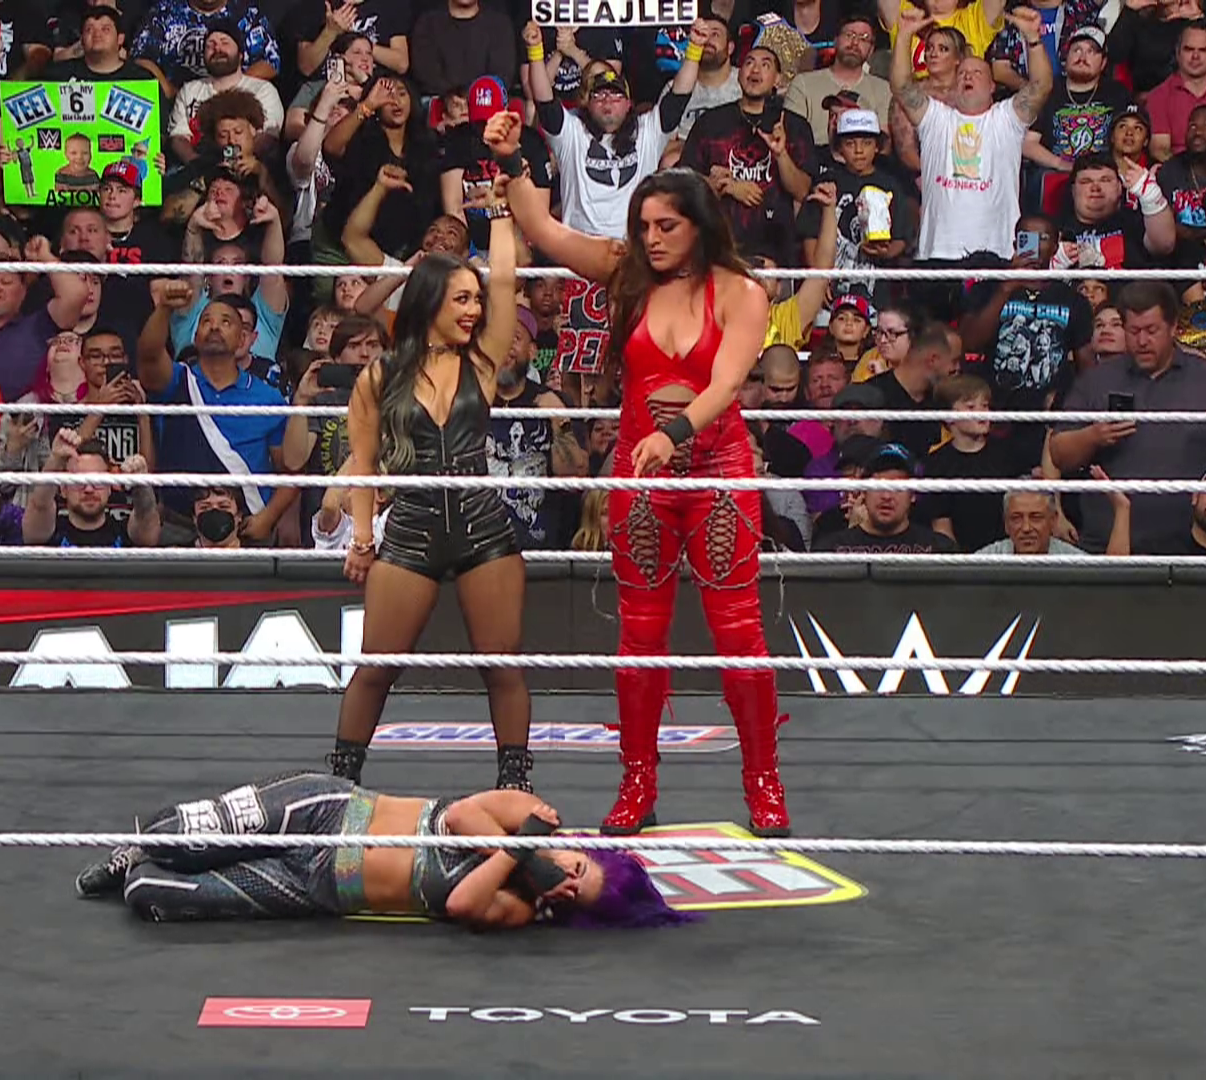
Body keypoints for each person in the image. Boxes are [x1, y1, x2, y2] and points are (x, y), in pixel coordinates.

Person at [491, 112, 788, 838]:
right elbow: (544, 229)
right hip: (641, 470)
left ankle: (764, 783)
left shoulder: (742, 293)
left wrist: (674, 432)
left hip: (715, 467)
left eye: (666, 226)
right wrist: (514, 155)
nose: (651, 239)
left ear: (699, 226)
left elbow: (726, 383)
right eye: (644, 225)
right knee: (639, 637)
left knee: (740, 635)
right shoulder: (627, 272)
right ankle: (637, 783)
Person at [326, 165, 532, 793]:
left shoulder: (485, 360)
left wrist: (501, 213)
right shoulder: (379, 375)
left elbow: (505, 281)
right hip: (412, 526)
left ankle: (514, 785)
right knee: (376, 668)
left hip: (483, 528)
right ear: (431, 302)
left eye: (475, 299)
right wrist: (363, 538)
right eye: (461, 299)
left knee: (501, 665)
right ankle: (339, 786)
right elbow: (363, 464)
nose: (475, 309)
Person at [72, 773, 694, 931]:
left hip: (314, 888)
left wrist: (524, 859)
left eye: (573, 894)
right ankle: (137, 846)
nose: (565, 881)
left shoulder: (518, 906)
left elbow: (461, 904)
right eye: (578, 870)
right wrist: (528, 843)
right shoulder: (530, 812)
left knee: (153, 895)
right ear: (581, 850)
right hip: (329, 810)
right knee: (173, 841)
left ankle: (138, 868)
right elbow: (459, 816)